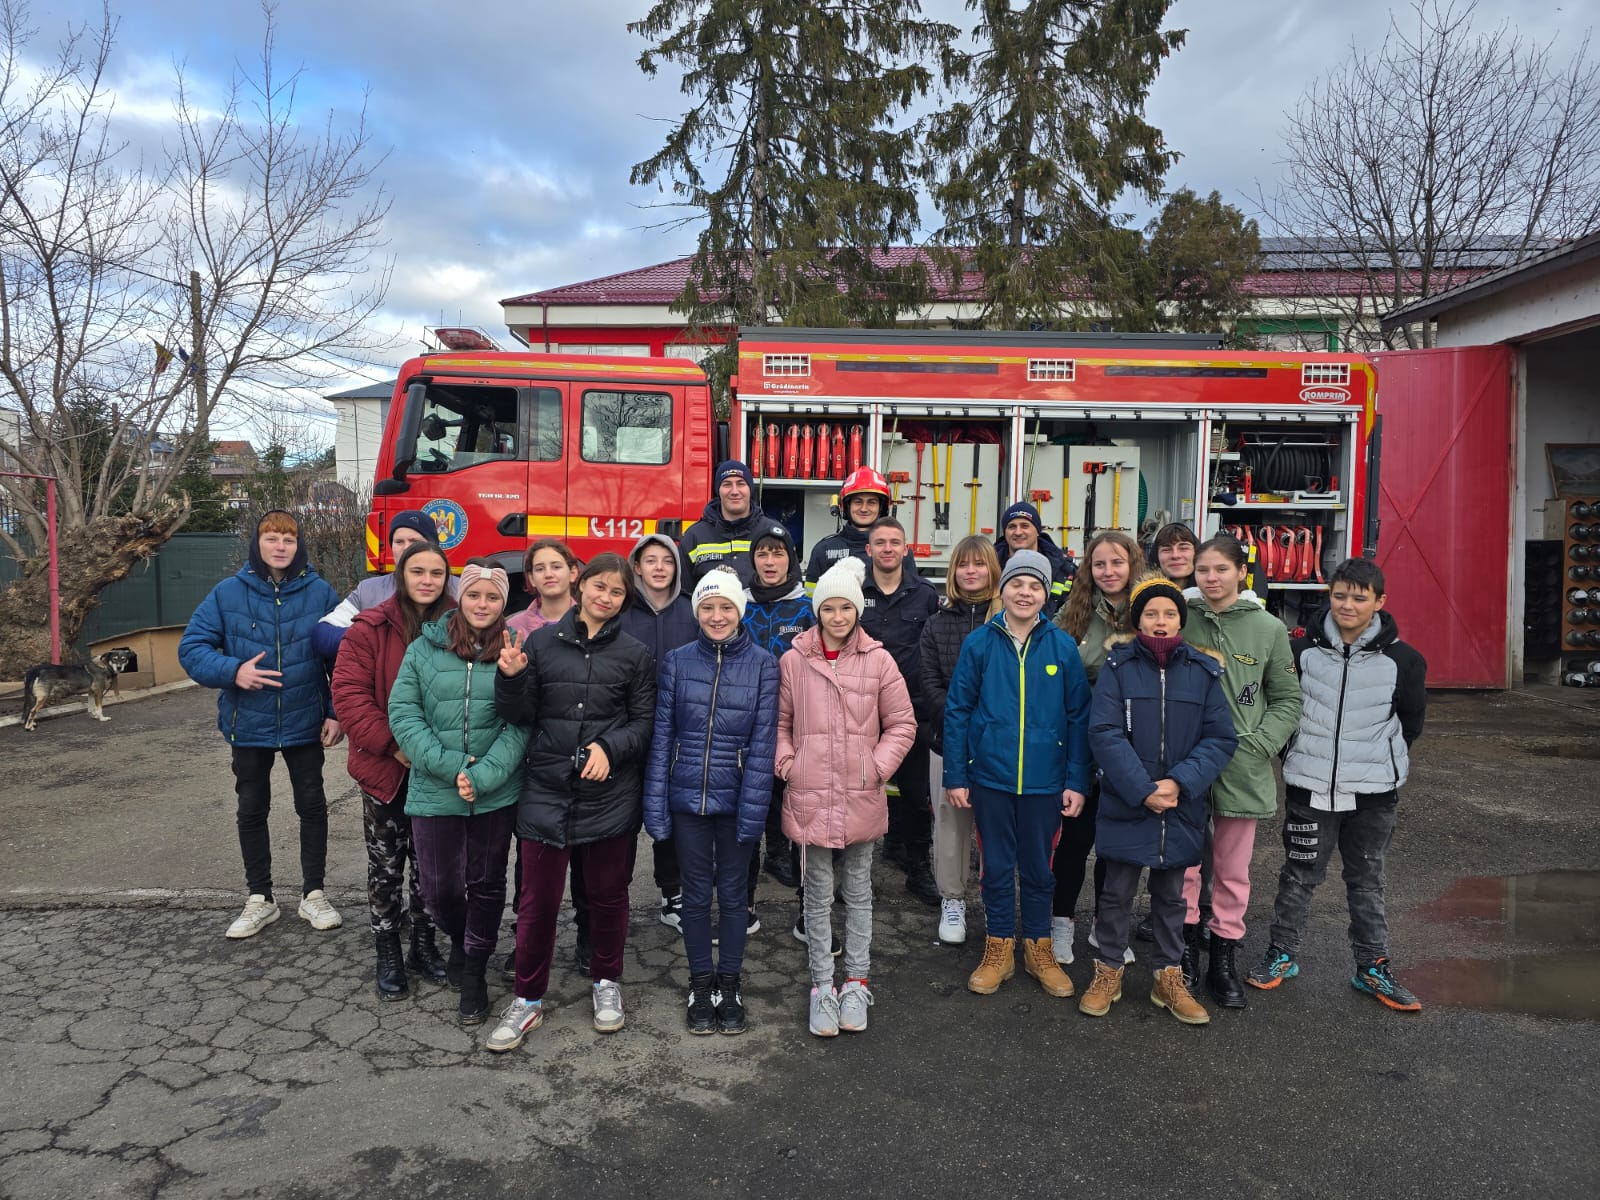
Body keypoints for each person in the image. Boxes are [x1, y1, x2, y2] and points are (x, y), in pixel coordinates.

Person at [487, 554, 656, 1051]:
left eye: (617, 592)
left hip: (610, 796)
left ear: (626, 600)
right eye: (600, 586)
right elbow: (519, 714)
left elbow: (643, 724)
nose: (606, 597)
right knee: (537, 902)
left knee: (607, 897)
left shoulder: (635, 654)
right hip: (546, 789)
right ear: (581, 586)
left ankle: (606, 982)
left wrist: (610, 747)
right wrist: (510, 678)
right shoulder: (540, 643)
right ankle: (527, 998)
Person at [1248, 558, 1428, 1012]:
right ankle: (1281, 953)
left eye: (1359, 598)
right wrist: (1293, 752)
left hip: (1374, 794)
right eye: (1340, 595)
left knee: (1367, 880)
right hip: (1309, 788)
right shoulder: (1300, 653)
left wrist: (1375, 762)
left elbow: (1410, 723)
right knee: (1298, 875)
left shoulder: (1404, 661)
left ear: (1379, 602)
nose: (1347, 605)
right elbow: (1281, 707)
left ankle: (1372, 966)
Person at [1079, 574, 1237, 1025]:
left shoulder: (1203, 672)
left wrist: (1179, 783)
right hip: (1128, 800)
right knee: (1116, 894)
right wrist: (1142, 789)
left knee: (1172, 897)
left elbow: (1220, 737)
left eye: (1169, 613)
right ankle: (1108, 969)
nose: (1161, 621)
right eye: (1151, 613)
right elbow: (1104, 732)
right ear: (1138, 620)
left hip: (1180, 805)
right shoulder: (1118, 667)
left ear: (1180, 620)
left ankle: (1168, 976)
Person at [179, 510, 344, 940]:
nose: (280, 546)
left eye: (289, 539)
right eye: (272, 538)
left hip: (306, 720)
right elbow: (192, 648)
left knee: (312, 805)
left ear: (299, 545)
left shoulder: (321, 592)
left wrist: (335, 712)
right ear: (257, 543)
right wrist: (233, 670)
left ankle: (314, 895)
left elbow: (341, 657)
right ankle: (260, 898)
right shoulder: (227, 594)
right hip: (248, 722)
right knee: (252, 808)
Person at [778, 556, 916, 1038]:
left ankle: (856, 982)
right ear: (817, 611)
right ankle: (822, 985)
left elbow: (902, 723)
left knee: (859, 892)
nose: (837, 617)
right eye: (828, 608)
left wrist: (875, 768)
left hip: (860, 795)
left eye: (846, 608)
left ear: (858, 610)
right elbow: (780, 723)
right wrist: (788, 764)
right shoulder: (794, 661)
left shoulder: (878, 660)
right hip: (810, 794)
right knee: (816, 896)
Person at [943, 549, 1091, 1000]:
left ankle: (1038, 947)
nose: (1025, 593)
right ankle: (999, 945)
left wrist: (1076, 780)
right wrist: (956, 774)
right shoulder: (980, 644)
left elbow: (1078, 717)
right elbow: (959, 710)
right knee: (996, 866)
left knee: (1040, 868)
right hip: (991, 779)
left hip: (1046, 782)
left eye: (1034, 586)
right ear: (1002, 588)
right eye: (1017, 584)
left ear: (1046, 594)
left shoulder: (1062, 646)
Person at [387, 560, 529, 1027]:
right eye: (474, 595)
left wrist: (484, 775)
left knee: (486, 884)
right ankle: (462, 941)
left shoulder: (515, 649)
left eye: (493, 597)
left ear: (503, 604)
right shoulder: (423, 649)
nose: (482, 604)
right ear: (460, 597)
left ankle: (474, 972)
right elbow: (404, 712)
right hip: (436, 788)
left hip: (494, 793)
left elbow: (521, 723)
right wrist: (454, 767)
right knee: (438, 889)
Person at [644, 568, 779, 1035]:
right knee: (696, 896)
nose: (717, 616)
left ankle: (731, 983)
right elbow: (663, 737)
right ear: (696, 611)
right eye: (707, 607)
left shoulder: (763, 664)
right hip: (687, 800)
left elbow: (763, 745)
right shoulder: (677, 662)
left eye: (726, 607)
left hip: (738, 798)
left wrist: (754, 811)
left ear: (739, 611)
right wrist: (656, 804)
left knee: (736, 896)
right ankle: (702, 984)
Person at [329, 539, 455, 1000]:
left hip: (438, 769)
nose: (427, 580)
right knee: (386, 866)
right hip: (387, 769)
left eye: (436, 573)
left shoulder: (460, 625)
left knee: (431, 867)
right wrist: (394, 745)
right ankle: (388, 949)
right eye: (418, 571)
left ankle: (423, 943)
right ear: (401, 575)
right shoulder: (369, 628)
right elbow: (349, 696)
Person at [1181, 534, 1303, 1009]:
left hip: (1241, 764)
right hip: (1186, 763)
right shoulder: (1180, 616)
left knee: (1233, 871)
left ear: (1241, 573)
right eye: (1203, 570)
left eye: (1221, 569)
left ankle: (1223, 959)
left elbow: (1287, 698)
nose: (1211, 578)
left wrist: (1261, 744)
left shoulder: (1268, 628)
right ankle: (1183, 955)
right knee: (1184, 865)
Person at [1049, 530, 1147, 965]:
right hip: (1083, 743)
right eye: (1099, 564)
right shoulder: (1074, 612)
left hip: (1133, 746)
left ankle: (1107, 927)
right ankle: (1061, 922)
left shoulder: (1148, 609)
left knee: (1117, 843)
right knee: (1075, 838)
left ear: (1132, 564)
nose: (1108, 571)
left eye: (1117, 562)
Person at [918, 534, 1001, 945]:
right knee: (951, 825)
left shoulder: (1007, 622)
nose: (971, 571)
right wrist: (958, 723)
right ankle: (953, 900)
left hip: (998, 744)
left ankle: (995, 900)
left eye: (979, 564)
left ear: (992, 569)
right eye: (964, 564)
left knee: (996, 827)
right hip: (947, 741)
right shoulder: (936, 624)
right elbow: (928, 682)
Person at [857, 517, 942, 906]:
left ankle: (918, 867)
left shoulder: (925, 595)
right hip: (861, 711)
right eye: (880, 542)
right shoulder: (855, 590)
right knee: (858, 790)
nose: (888, 549)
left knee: (915, 793)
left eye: (895, 542)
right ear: (869, 550)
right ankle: (853, 872)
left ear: (905, 549)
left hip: (911, 711)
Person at [618, 533, 697, 933]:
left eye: (667, 560)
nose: (660, 568)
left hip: (678, 732)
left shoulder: (691, 609)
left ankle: (672, 894)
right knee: (624, 818)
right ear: (637, 566)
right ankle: (616, 898)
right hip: (628, 731)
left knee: (671, 817)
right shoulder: (621, 611)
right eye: (651, 560)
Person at [741, 521, 812, 893]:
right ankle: (754, 858)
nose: (770, 561)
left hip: (795, 718)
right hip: (747, 717)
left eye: (778, 553)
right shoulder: (739, 605)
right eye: (762, 553)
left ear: (791, 560)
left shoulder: (807, 608)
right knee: (756, 790)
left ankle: (784, 852)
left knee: (790, 789)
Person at [313, 510, 458, 658]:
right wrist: (372, 638)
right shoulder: (368, 590)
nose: (406, 548)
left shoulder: (460, 589)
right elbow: (324, 634)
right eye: (399, 542)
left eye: (415, 542)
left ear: (433, 547)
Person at [803, 466, 919, 584]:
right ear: (845, 506)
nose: (864, 509)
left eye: (871, 502)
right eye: (858, 502)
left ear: (882, 507)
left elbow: (913, 593)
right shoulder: (823, 550)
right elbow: (812, 594)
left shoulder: (898, 551)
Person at [678, 460, 770, 589]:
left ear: (750, 489)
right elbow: (683, 592)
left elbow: (790, 587)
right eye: (727, 484)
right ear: (718, 491)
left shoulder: (770, 532)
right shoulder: (694, 537)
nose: (734, 491)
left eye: (741, 484)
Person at [994, 501, 1075, 617]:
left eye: (1025, 526)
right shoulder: (990, 566)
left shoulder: (1065, 569)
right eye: (1012, 526)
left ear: (1037, 531)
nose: (1018, 532)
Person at [506, 538, 580, 640]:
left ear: (573, 573)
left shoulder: (592, 622)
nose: (548, 574)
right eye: (540, 569)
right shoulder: (512, 627)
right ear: (531, 578)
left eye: (556, 567)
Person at [1150, 521, 1198, 590]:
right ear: (1156, 556)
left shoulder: (1210, 594)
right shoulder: (1142, 595)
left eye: (1183, 548)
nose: (1175, 555)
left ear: (1196, 552)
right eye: (1166, 549)